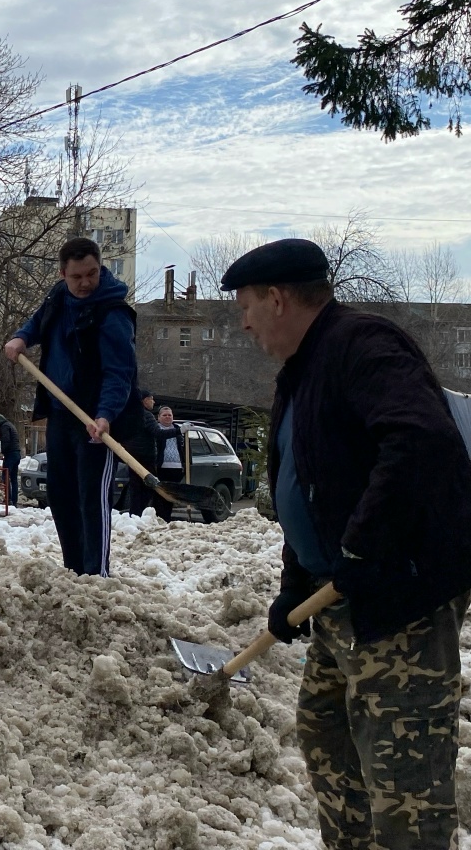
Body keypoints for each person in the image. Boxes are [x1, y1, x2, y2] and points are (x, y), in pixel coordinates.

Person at [222, 237, 471, 850]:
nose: (244, 323)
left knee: (403, 782)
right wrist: (294, 584)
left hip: (399, 605)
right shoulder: (300, 372)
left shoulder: (364, 346)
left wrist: (364, 547)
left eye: (246, 307)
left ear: (277, 299)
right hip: (339, 599)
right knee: (326, 735)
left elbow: (421, 441)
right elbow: (307, 488)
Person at [2, 237, 141, 577]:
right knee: (62, 496)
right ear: (63, 274)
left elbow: (119, 373)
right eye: (77, 276)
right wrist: (22, 337)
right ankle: (74, 570)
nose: (85, 283)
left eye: (92, 274)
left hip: (95, 420)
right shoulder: (58, 296)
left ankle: (96, 574)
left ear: (100, 268)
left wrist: (105, 415)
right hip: (60, 414)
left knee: (91, 499)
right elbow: (40, 321)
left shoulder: (112, 313)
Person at [117, 389, 159, 516]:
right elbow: (157, 432)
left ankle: (134, 514)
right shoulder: (147, 415)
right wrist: (179, 431)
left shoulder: (129, 414)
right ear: (144, 400)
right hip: (146, 458)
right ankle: (138, 513)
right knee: (150, 487)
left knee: (135, 489)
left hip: (131, 457)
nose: (153, 402)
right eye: (151, 399)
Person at [151, 406, 185, 522]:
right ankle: (159, 519)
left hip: (176, 468)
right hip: (161, 468)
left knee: (170, 495)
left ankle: (167, 519)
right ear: (159, 417)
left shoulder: (179, 430)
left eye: (169, 415)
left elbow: (185, 449)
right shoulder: (156, 430)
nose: (167, 417)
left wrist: (185, 465)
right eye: (164, 415)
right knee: (159, 495)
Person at [0, 413, 21, 507]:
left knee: (5, 476)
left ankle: (8, 499)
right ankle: (14, 500)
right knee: (13, 478)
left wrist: (3, 452)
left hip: (10, 454)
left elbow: (6, 440)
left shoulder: (4, 427)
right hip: (17, 453)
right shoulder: (10, 425)